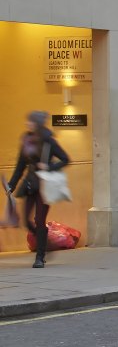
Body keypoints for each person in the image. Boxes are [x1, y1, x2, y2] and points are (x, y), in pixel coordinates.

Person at [8, 111, 70, 268]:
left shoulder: (49, 141)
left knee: (39, 220)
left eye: (30, 122)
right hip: (30, 185)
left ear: (37, 123)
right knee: (26, 221)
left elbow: (65, 159)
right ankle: (44, 240)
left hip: (44, 185)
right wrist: (12, 184)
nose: (27, 124)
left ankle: (40, 257)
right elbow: (20, 165)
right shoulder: (26, 141)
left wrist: (49, 166)